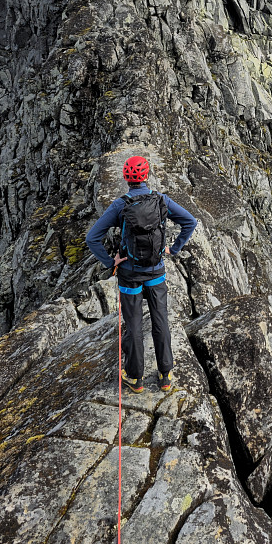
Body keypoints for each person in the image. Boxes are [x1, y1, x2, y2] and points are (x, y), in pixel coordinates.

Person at [86, 155, 198, 393]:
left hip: (129, 274)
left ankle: (135, 378)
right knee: (160, 320)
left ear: (126, 178)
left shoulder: (120, 205)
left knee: (134, 324)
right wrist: (174, 248)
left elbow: (92, 238)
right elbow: (189, 222)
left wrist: (110, 261)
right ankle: (165, 375)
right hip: (156, 271)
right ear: (147, 175)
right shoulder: (161, 201)